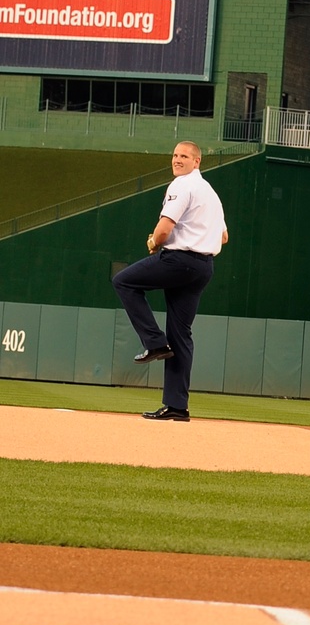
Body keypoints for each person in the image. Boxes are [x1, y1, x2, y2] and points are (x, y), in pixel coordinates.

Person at [112, 142, 227, 422]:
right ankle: (177, 406)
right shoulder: (210, 192)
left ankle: (154, 342)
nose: (177, 160)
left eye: (184, 156)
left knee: (124, 281)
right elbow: (224, 237)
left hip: (180, 261)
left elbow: (164, 230)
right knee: (181, 336)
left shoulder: (182, 185)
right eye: (175, 155)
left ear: (197, 161)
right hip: (203, 267)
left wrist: (153, 241)